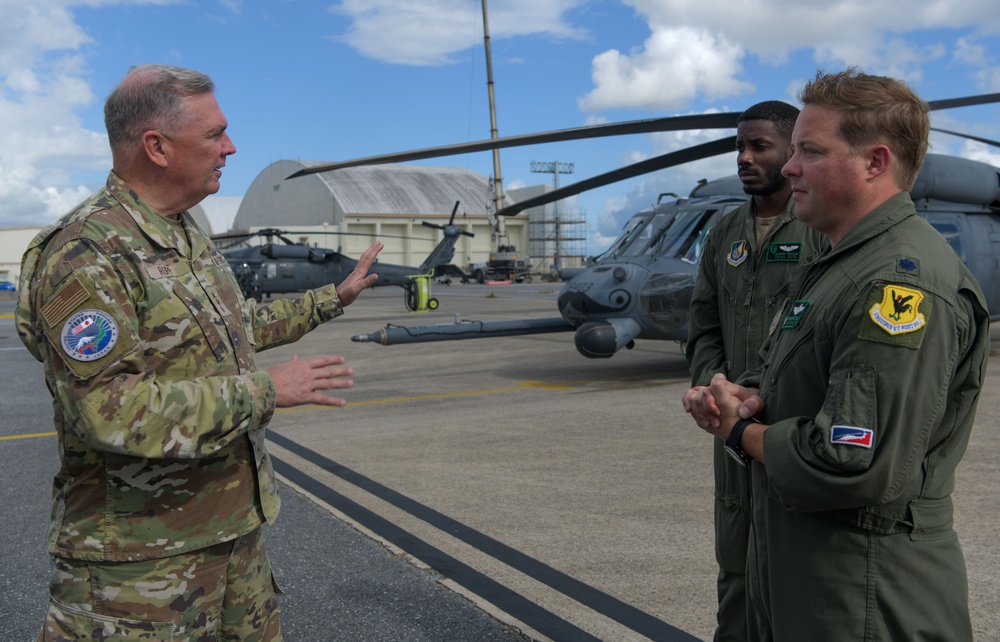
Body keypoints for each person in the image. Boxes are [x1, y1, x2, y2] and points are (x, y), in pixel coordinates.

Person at [15, 64, 384, 641]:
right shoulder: (86, 252)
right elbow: (111, 410)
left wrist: (332, 299)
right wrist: (267, 389)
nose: (231, 148)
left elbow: (235, 327)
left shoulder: (186, 235)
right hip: (138, 566)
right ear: (156, 147)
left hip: (231, 537)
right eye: (215, 134)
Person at [684, 68, 989, 640]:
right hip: (815, 578)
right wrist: (750, 394)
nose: (790, 167)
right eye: (793, 149)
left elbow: (853, 461)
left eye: (809, 151)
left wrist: (737, 430)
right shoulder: (840, 267)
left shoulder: (900, 288)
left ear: (874, 163)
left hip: (865, 595)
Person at [683, 100, 825, 641]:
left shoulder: (818, 228)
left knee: (795, 565)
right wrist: (714, 387)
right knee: (736, 560)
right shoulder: (725, 232)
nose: (744, 157)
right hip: (730, 426)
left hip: (788, 427)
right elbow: (703, 324)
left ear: (793, 152)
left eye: (758, 146)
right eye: (738, 146)